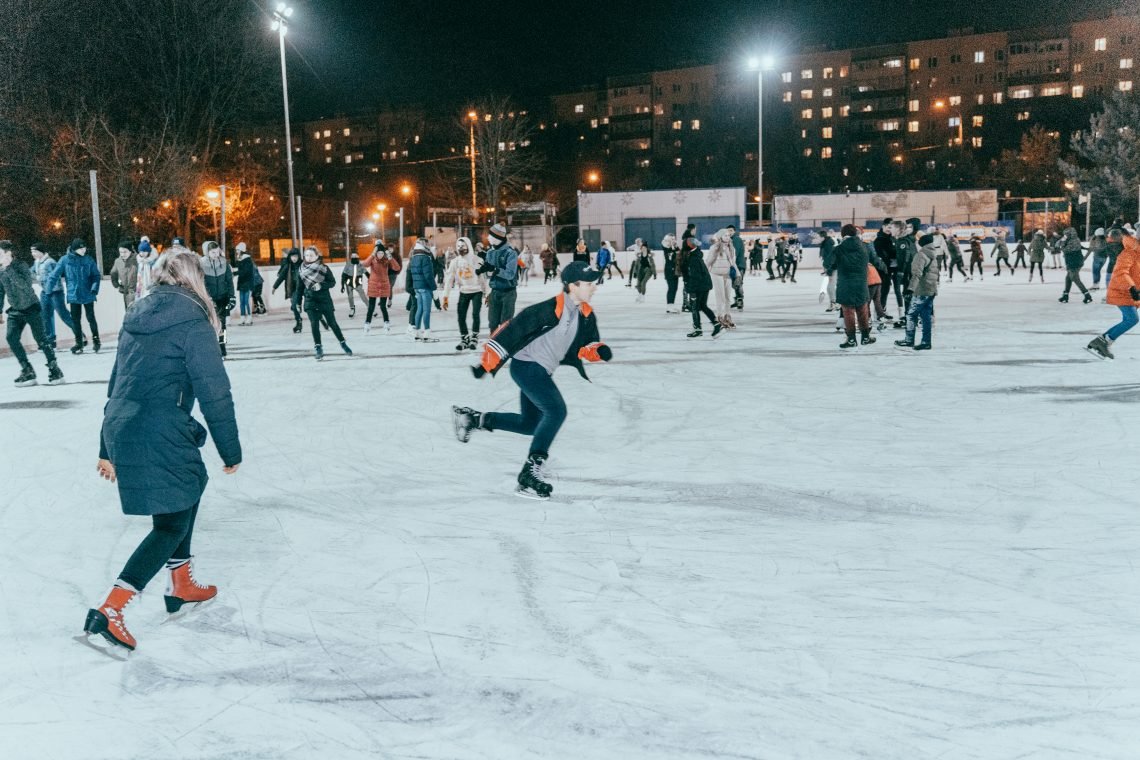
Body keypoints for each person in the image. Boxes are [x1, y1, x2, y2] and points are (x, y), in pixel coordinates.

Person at [83, 249, 241, 653]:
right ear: (195, 278)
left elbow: (117, 383)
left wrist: (107, 443)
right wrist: (230, 450)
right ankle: (110, 609)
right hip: (161, 428)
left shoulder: (136, 313)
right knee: (169, 524)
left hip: (128, 422)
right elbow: (215, 393)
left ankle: (181, 582)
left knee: (192, 484)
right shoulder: (194, 319)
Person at [451, 261, 612, 500]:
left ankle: (474, 419)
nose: (594, 287)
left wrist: (597, 351)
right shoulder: (549, 309)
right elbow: (511, 329)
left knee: (530, 424)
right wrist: (486, 364)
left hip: (540, 371)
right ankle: (528, 475)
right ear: (572, 285)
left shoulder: (585, 314)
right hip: (526, 367)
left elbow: (584, 345)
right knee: (556, 412)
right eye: (589, 283)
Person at [0, 241, 64, 386]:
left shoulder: (20, 265)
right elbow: (0, 291)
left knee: (41, 339)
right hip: (15, 310)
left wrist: (9, 268)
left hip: (31, 307)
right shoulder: (0, 271)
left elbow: (25, 286)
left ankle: (55, 369)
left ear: (8, 253)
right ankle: (27, 369)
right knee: (11, 338)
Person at [1087, 229, 1140, 359]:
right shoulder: (1129, 252)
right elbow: (1121, 272)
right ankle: (1103, 341)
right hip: (1122, 291)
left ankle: (1101, 341)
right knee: (1132, 319)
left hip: (1131, 292)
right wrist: (1132, 287)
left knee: (1129, 319)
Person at [45, 237, 102, 354]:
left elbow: (96, 276)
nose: (83, 250)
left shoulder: (88, 260)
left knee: (91, 318)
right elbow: (54, 275)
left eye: (84, 248)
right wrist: (48, 290)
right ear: (74, 249)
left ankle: (96, 341)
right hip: (74, 294)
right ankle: (79, 343)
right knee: (76, 320)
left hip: (88, 293)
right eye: (81, 249)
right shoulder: (65, 260)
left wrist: (94, 288)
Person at [299, 246, 352, 360]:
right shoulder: (301, 270)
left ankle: (343, 343)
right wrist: (297, 303)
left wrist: (321, 285)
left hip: (324, 300)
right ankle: (318, 347)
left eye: (311, 255)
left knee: (332, 323)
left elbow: (332, 282)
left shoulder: (324, 268)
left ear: (317, 256)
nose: (308, 257)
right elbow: (299, 288)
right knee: (314, 324)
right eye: (306, 255)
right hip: (310, 300)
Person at [833, 225, 880, 349]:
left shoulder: (839, 249)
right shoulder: (864, 246)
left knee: (848, 312)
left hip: (845, 284)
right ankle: (865, 337)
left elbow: (829, 263)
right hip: (861, 284)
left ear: (843, 235)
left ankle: (851, 339)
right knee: (862, 310)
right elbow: (875, 260)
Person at [895, 230, 939, 351]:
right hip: (931, 290)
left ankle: (909, 340)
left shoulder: (921, 255)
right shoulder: (932, 254)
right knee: (925, 317)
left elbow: (916, 274)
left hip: (921, 291)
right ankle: (926, 342)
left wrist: (910, 289)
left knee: (911, 315)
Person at [443, 236, 488, 350]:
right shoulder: (455, 262)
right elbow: (449, 279)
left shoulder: (477, 260)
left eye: (462, 246)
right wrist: (445, 296)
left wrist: (487, 293)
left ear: (468, 246)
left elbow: (483, 278)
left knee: (475, 314)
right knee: (461, 315)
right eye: (458, 246)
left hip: (476, 291)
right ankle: (464, 338)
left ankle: (474, 337)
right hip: (464, 291)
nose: (460, 248)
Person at [31, 244, 76, 348]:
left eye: (34, 251)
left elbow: (56, 275)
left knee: (64, 315)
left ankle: (79, 335)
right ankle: (50, 340)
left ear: (41, 251)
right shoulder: (36, 262)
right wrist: (38, 277)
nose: (32, 254)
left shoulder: (50, 262)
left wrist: (43, 280)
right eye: (32, 252)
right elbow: (30, 272)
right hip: (45, 292)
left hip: (56, 292)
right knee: (45, 316)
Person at [482, 222, 520, 332]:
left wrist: (495, 269)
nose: (488, 237)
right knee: (492, 323)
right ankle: (492, 347)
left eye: (490, 235)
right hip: (495, 292)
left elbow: (509, 274)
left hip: (508, 293)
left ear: (497, 238)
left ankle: (505, 346)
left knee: (505, 324)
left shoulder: (510, 253)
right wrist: (489, 292)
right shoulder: (490, 253)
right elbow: (488, 274)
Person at [200, 242, 234, 356]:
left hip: (223, 298)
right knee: (210, 324)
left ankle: (222, 348)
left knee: (222, 325)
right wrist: (206, 296)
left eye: (217, 251)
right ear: (207, 252)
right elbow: (201, 283)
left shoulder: (224, 262)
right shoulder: (201, 264)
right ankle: (211, 347)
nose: (215, 254)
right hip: (209, 299)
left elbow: (229, 281)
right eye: (213, 252)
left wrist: (232, 296)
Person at [681, 236, 720, 338]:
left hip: (699, 286)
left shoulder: (693, 258)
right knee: (702, 306)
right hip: (704, 285)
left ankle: (698, 329)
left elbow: (695, 276)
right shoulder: (696, 254)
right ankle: (717, 324)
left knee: (695, 307)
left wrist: (691, 289)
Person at [362, 240, 401, 334]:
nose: (380, 255)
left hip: (384, 284)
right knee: (371, 306)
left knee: (383, 306)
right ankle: (367, 323)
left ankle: (386, 323)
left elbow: (397, 268)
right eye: (378, 253)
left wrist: (390, 257)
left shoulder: (386, 260)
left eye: (381, 253)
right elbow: (364, 264)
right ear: (375, 252)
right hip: (373, 284)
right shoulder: (372, 259)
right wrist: (372, 254)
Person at [408, 238, 440, 342]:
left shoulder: (414, 257)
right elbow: (428, 276)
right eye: (428, 244)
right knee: (426, 310)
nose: (429, 246)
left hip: (417, 287)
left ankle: (417, 332)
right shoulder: (425, 258)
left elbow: (412, 274)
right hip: (425, 287)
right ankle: (427, 332)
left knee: (420, 309)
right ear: (424, 245)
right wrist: (434, 288)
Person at [891, 218, 920, 329]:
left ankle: (911, 320)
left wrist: (901, 271)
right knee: (910, 294)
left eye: (892, 228)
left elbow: (906, 257)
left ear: (899, 229)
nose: (891, 230)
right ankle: (911, 317)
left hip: (908, 271)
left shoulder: (903, 241)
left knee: (908, 294)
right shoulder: (908, 239)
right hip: (912, 271)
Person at [705, 229, 736, 330]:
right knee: (721, 297)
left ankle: (727, 316)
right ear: (720, 236)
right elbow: (709, 260)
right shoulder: (714, 247)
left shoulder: (731, 248)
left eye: (728, 235)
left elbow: (732, 262)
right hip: (717, 274)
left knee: (727, 298)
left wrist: (737, 274)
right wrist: (704, 273)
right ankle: (720, 317)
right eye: (725, 235)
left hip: (728, 275)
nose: (727, 237)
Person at [272, 247, 304, 333]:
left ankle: (320, 318)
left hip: (304, 288)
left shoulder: (303, 265)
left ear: (299, 256)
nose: (294, 258)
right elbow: (281, 277)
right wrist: (275, 287)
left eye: (296, 256)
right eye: (292, 256)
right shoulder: (288, 266)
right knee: (294, 306)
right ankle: (299, 322)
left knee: (312, 306)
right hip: (294, 289)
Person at [873, 220, 897, 316]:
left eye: (891, 227)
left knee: (885, 289)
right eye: (887, 226)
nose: (889, 229)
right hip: (882, 268)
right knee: (881, 290)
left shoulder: (892, 238)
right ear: (883, 226)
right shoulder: (879, 239)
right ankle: (879, 312)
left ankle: (882, 309)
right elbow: (883, 255)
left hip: (890, 268)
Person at [232, 242, 255, 325]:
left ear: (242, 250)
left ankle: (249, 317)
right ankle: (242, 317)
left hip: (248, 284)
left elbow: (245, 272)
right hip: (242, 284)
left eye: (238, 250)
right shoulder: (240, 259)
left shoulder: (247, 259)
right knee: (242, 301)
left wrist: (235, 273)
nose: (236, 251)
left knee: (247, 301)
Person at [110, 242, 138, 311]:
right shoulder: (118, 261)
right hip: (126, 293)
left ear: (130, 251)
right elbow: (113, 273)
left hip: (138, 292)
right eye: (121, 252)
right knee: (128, 313)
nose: (122, 254)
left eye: (125, 252)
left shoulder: (137, 260)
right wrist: (117, 285)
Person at [339, 251, 367, 319]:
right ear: (351, 259)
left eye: (356, 258)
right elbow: (343, 275)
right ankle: (352, 308)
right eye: (353, 258)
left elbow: (367, 273)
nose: (354, 260)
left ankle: (369, 307)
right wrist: (342, 286)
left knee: (363, 296)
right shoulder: (348, 265)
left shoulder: (360, 265)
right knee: (350, 297)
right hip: (349, 284)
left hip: (358, 284)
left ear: (358, 258)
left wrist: (372, 280)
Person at [662, 233, 681, 313]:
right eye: (672, 239)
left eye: (674, 239)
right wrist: (671, 244)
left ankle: (671, 305)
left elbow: (679, 254)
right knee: (671, 288)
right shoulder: (666, 248)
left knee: (674, 288)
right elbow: (665, 246)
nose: (673, 240)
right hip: (669, 271)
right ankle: (669, 306)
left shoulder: (674, 247)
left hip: (675, 271)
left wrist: (675, 246)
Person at [728, 225, 746, 307]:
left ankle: (740, 301)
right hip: (734, 265)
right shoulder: (730, 240)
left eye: (731, 230)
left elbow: (735, 253)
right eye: (728, 231)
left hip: (739, 265)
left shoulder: (736, 239)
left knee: (737, 283)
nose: (729, 232)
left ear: (734, 231)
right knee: (734, 283)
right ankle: (737, 299)